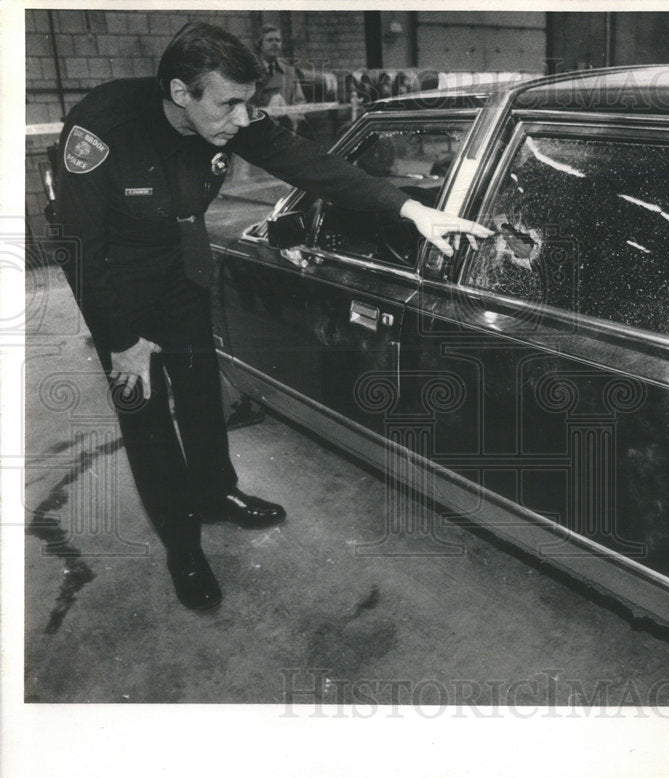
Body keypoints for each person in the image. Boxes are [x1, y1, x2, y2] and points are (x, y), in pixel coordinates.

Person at [54, 21, 492, 611]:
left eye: (248, 104)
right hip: (117, 290)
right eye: (231, 104)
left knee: (203, 395)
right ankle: (183, 546)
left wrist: (411, 209)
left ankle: (216, 494)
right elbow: (78, 249)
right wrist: (120, 341)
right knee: (148, 419)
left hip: (181, 273)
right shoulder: (102, 129)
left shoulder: (225, 110)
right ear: (181, 93)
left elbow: (310, 163)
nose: (243, 119)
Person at [252, 23, 306, 132]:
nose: (275, 44)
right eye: (270, 40)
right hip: (259, 132)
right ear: (260, 44)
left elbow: (300, 101)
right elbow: (244, 105)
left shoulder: (288, 71)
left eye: (278, 40)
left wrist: (291, 115)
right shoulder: (249, 71)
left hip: (285, 130)